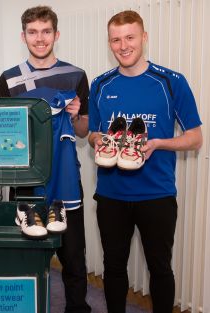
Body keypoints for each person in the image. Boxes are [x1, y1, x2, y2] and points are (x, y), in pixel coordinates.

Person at [88, 10, 203, 313]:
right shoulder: (100, 84)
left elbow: (195, 138)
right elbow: (93, 133)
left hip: (157, 193)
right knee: (113, 266)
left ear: (144, 38)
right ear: (109, 43)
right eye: (116, 39)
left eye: (130, 37)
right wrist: (96, 139)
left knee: (160, 268)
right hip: (111, 193)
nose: (123, 46)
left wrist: (159, 144)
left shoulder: (171, 81)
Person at [0, 5, 91, 313]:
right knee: (26, 257)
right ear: (23, 36)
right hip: (25, 183)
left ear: (56, 34)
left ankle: (77, 308)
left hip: (65, 181)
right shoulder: (9, 80)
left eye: (46, 31)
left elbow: (85, 131)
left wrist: (76, 116)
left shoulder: (75, 76)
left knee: (74, 257)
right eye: (33, 32)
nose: (40, 38)